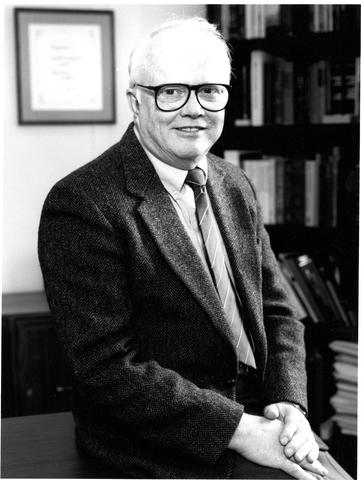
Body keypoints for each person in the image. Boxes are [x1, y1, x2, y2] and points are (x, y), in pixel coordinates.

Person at [38, 17, 352, 480]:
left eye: (210, 90)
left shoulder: (233, 182)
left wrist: (288, 403)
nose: (194, 109)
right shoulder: (82, 204)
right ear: (135, 102)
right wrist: (240, 430)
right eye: (171, 91)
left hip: (264, 414)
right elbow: (106, 369)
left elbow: (277, 310)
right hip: (160, 441)